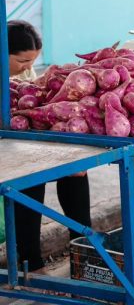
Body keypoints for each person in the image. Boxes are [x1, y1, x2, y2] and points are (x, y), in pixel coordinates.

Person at [8, 20, 92, 272]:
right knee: (29, 178)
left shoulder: (24, 75)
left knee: (76, 171)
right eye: (23, 62)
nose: (28, 68)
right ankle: (31, 263)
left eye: (33, 62)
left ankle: (84, 252)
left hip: (20, 143)